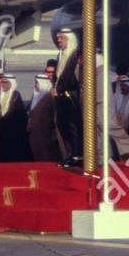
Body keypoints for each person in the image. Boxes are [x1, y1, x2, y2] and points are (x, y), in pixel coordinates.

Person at [52, 28, 84, 166]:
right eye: (58, 38)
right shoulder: (61, 54)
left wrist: (58, 89)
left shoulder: (75, 55)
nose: (59, 40)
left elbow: (71, 77)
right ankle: (69, 154)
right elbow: (58, 75)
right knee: (62, 125)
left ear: (69, 39)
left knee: (73, 126)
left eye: (62, 38)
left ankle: (77, 156)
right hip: (60, 97)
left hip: (71, 97)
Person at [26, 75, 61, 163]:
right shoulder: (36, 97)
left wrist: (55, 132)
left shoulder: (51, 98)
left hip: (47, 136)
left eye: (37, 83)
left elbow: (56, 115)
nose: (35, 85)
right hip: (36, 136)